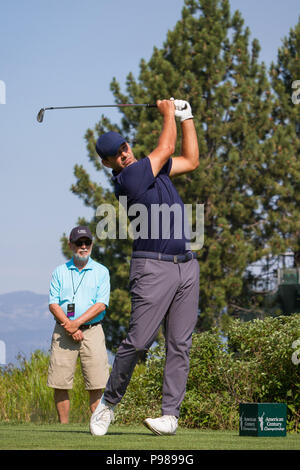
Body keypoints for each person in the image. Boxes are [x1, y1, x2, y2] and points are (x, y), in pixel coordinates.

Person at [90, 98, 200, 436]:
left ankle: (170, 415)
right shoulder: (130, 178)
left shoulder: (152, 169)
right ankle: (107, 404)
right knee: (138, 342)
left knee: (180, 344)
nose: (123, 153)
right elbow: (166, 147)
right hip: (153, 268)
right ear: (109, 163)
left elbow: (192, 160)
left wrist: (186, 117)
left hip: (186, 267)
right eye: (116, 154)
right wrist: (168, 111)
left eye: (124, 146)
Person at [47, 225, 110, 423]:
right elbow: (53, 303)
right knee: (60, 381)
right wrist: (70, 325)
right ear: (70, 245)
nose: (83, 246)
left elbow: (101, 305)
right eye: (79, 243)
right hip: (63, 330)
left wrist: (77, 323)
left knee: (97, 382)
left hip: (92, 331)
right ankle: (63, 427)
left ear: (91, 244)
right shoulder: (59, 272)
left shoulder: (101, 271)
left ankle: (98, 425)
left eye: (87, 243)